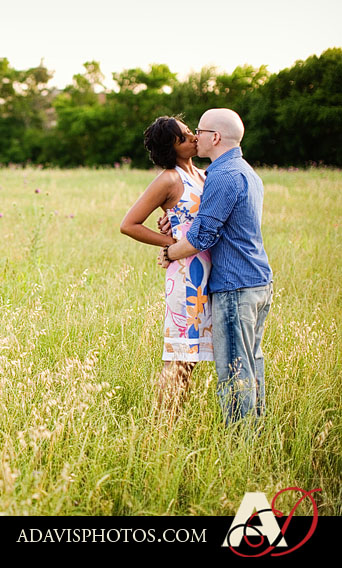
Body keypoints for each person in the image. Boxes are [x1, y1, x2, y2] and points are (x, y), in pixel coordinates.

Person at [159, 108, 272, 427]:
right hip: (258, 282)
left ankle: (241, 444)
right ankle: (256, 434)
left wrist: (169, 252)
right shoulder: (246, 171)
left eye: (200, 130)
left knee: (234, 370)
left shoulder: (222, 176)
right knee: (252, 365)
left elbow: (202, 237)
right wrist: (176, 219)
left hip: (236, 286)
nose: (196, 136)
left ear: (215, 137)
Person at [120, 116, 214, 420]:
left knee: (194, 356)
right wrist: (169, 239)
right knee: (180, 356)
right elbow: (129, 225)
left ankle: (173, 418)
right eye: (185, 137)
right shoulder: (169, 179)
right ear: (173, 147)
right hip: (186, 273)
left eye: (191, 133)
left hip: (213, 272)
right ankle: (162, 424)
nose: (194, 138)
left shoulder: (205, 174)